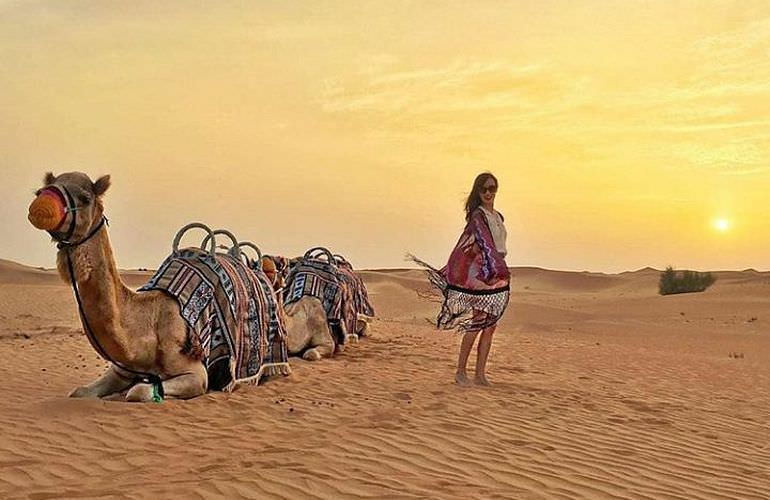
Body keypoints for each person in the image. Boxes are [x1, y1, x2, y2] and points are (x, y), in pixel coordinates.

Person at [410, 172, 510, 386]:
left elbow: (498, 248)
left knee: (490, 326)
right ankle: (461, 371)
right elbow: (477, 245)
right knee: (478, 322)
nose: (488, 193)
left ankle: (480, 374)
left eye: (492, 188)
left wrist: (499, 266)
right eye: (483, 189)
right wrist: (488, 265)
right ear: (477, 191)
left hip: (499, 272)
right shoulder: (478, 216)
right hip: (483, 275)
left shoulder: (498, 217)